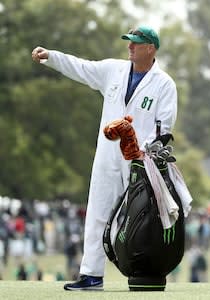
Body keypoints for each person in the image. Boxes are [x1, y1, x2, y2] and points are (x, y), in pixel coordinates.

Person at [31, 25, 178, 291]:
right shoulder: (113, 70)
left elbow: (164, 128)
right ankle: (91, 275)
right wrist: (51, 56)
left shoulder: (164, 83)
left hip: (140, 161)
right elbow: (82, 68)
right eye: (129, 42)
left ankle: (144, 273)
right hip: (107, 155)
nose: (130, 46)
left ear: (151, 48)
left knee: (143, 217)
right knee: (97, 211)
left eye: (136, 42)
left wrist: (146, 150)